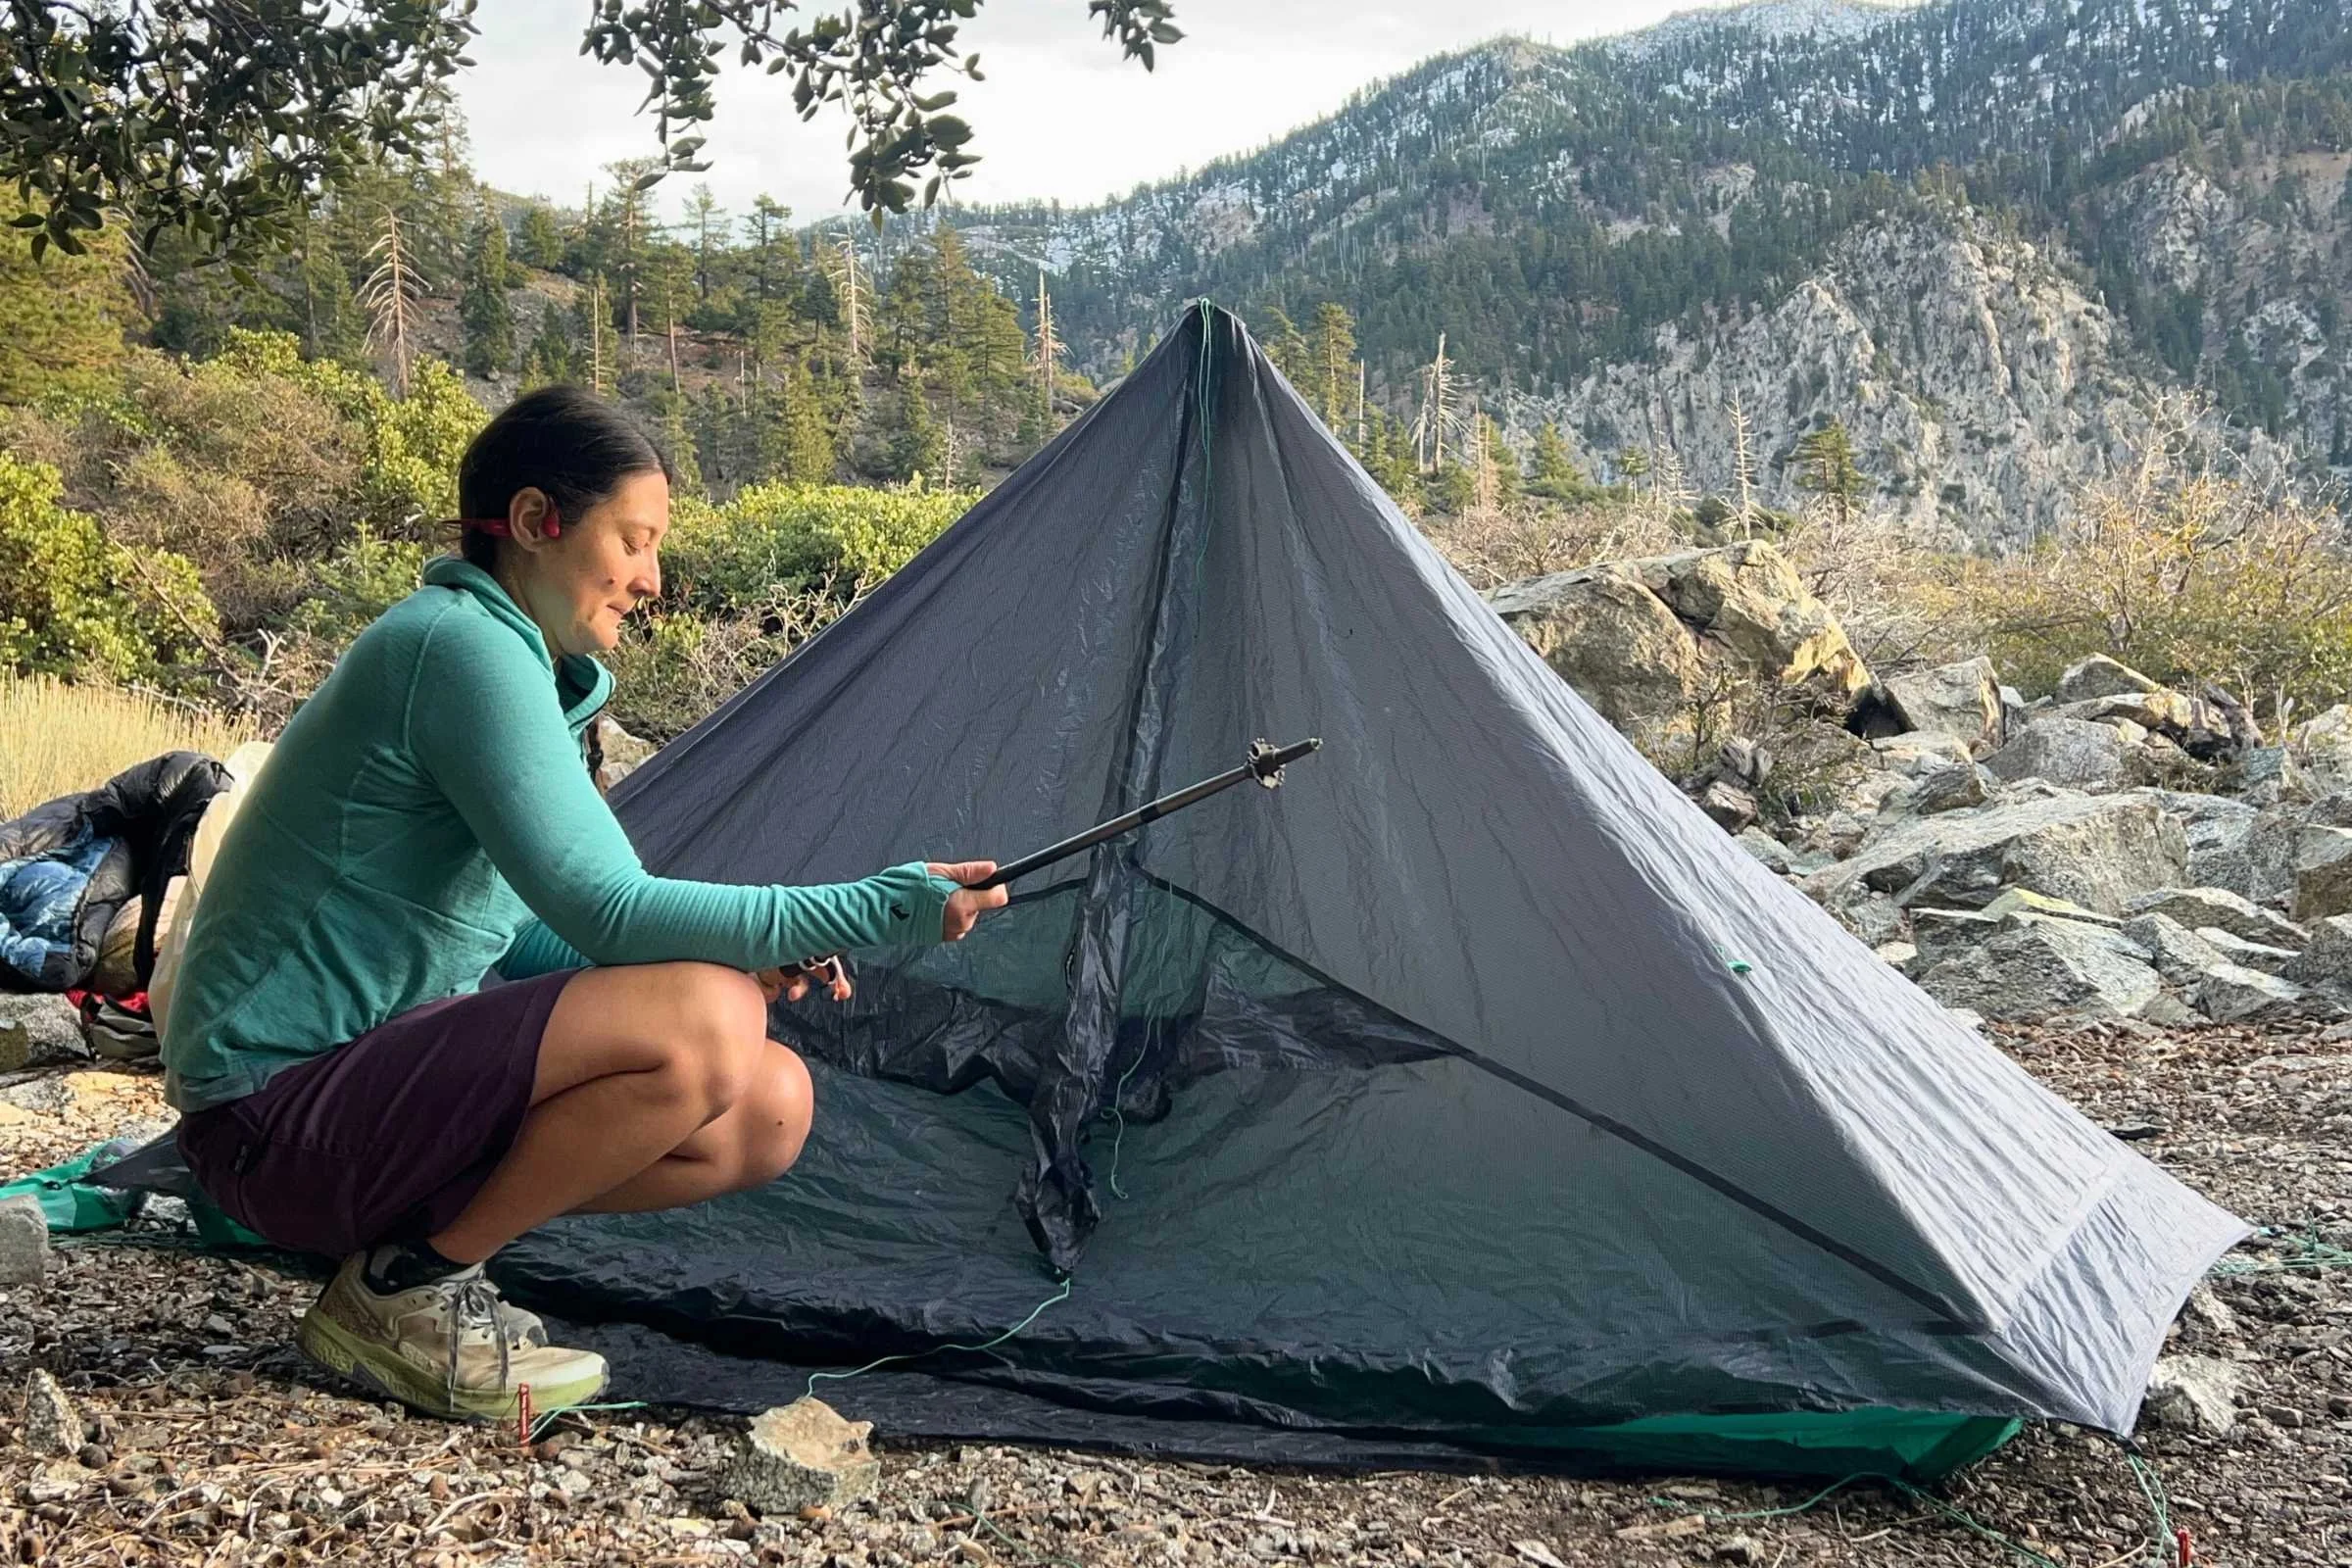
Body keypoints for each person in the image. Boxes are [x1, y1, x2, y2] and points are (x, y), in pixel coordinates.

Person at [161, 386, 1008, 1423]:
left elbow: (524, 934)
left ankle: (413, 1265)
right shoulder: (457, 646)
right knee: (707, 1022)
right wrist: (876, 906)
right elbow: (610, 909)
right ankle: (404, 1292)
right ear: (533, 522)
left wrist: (739, 956)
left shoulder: (518, 666)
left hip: (358, 1102)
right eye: (635, 539)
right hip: (268, 1117)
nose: (652, 578)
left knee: (768, 1107)